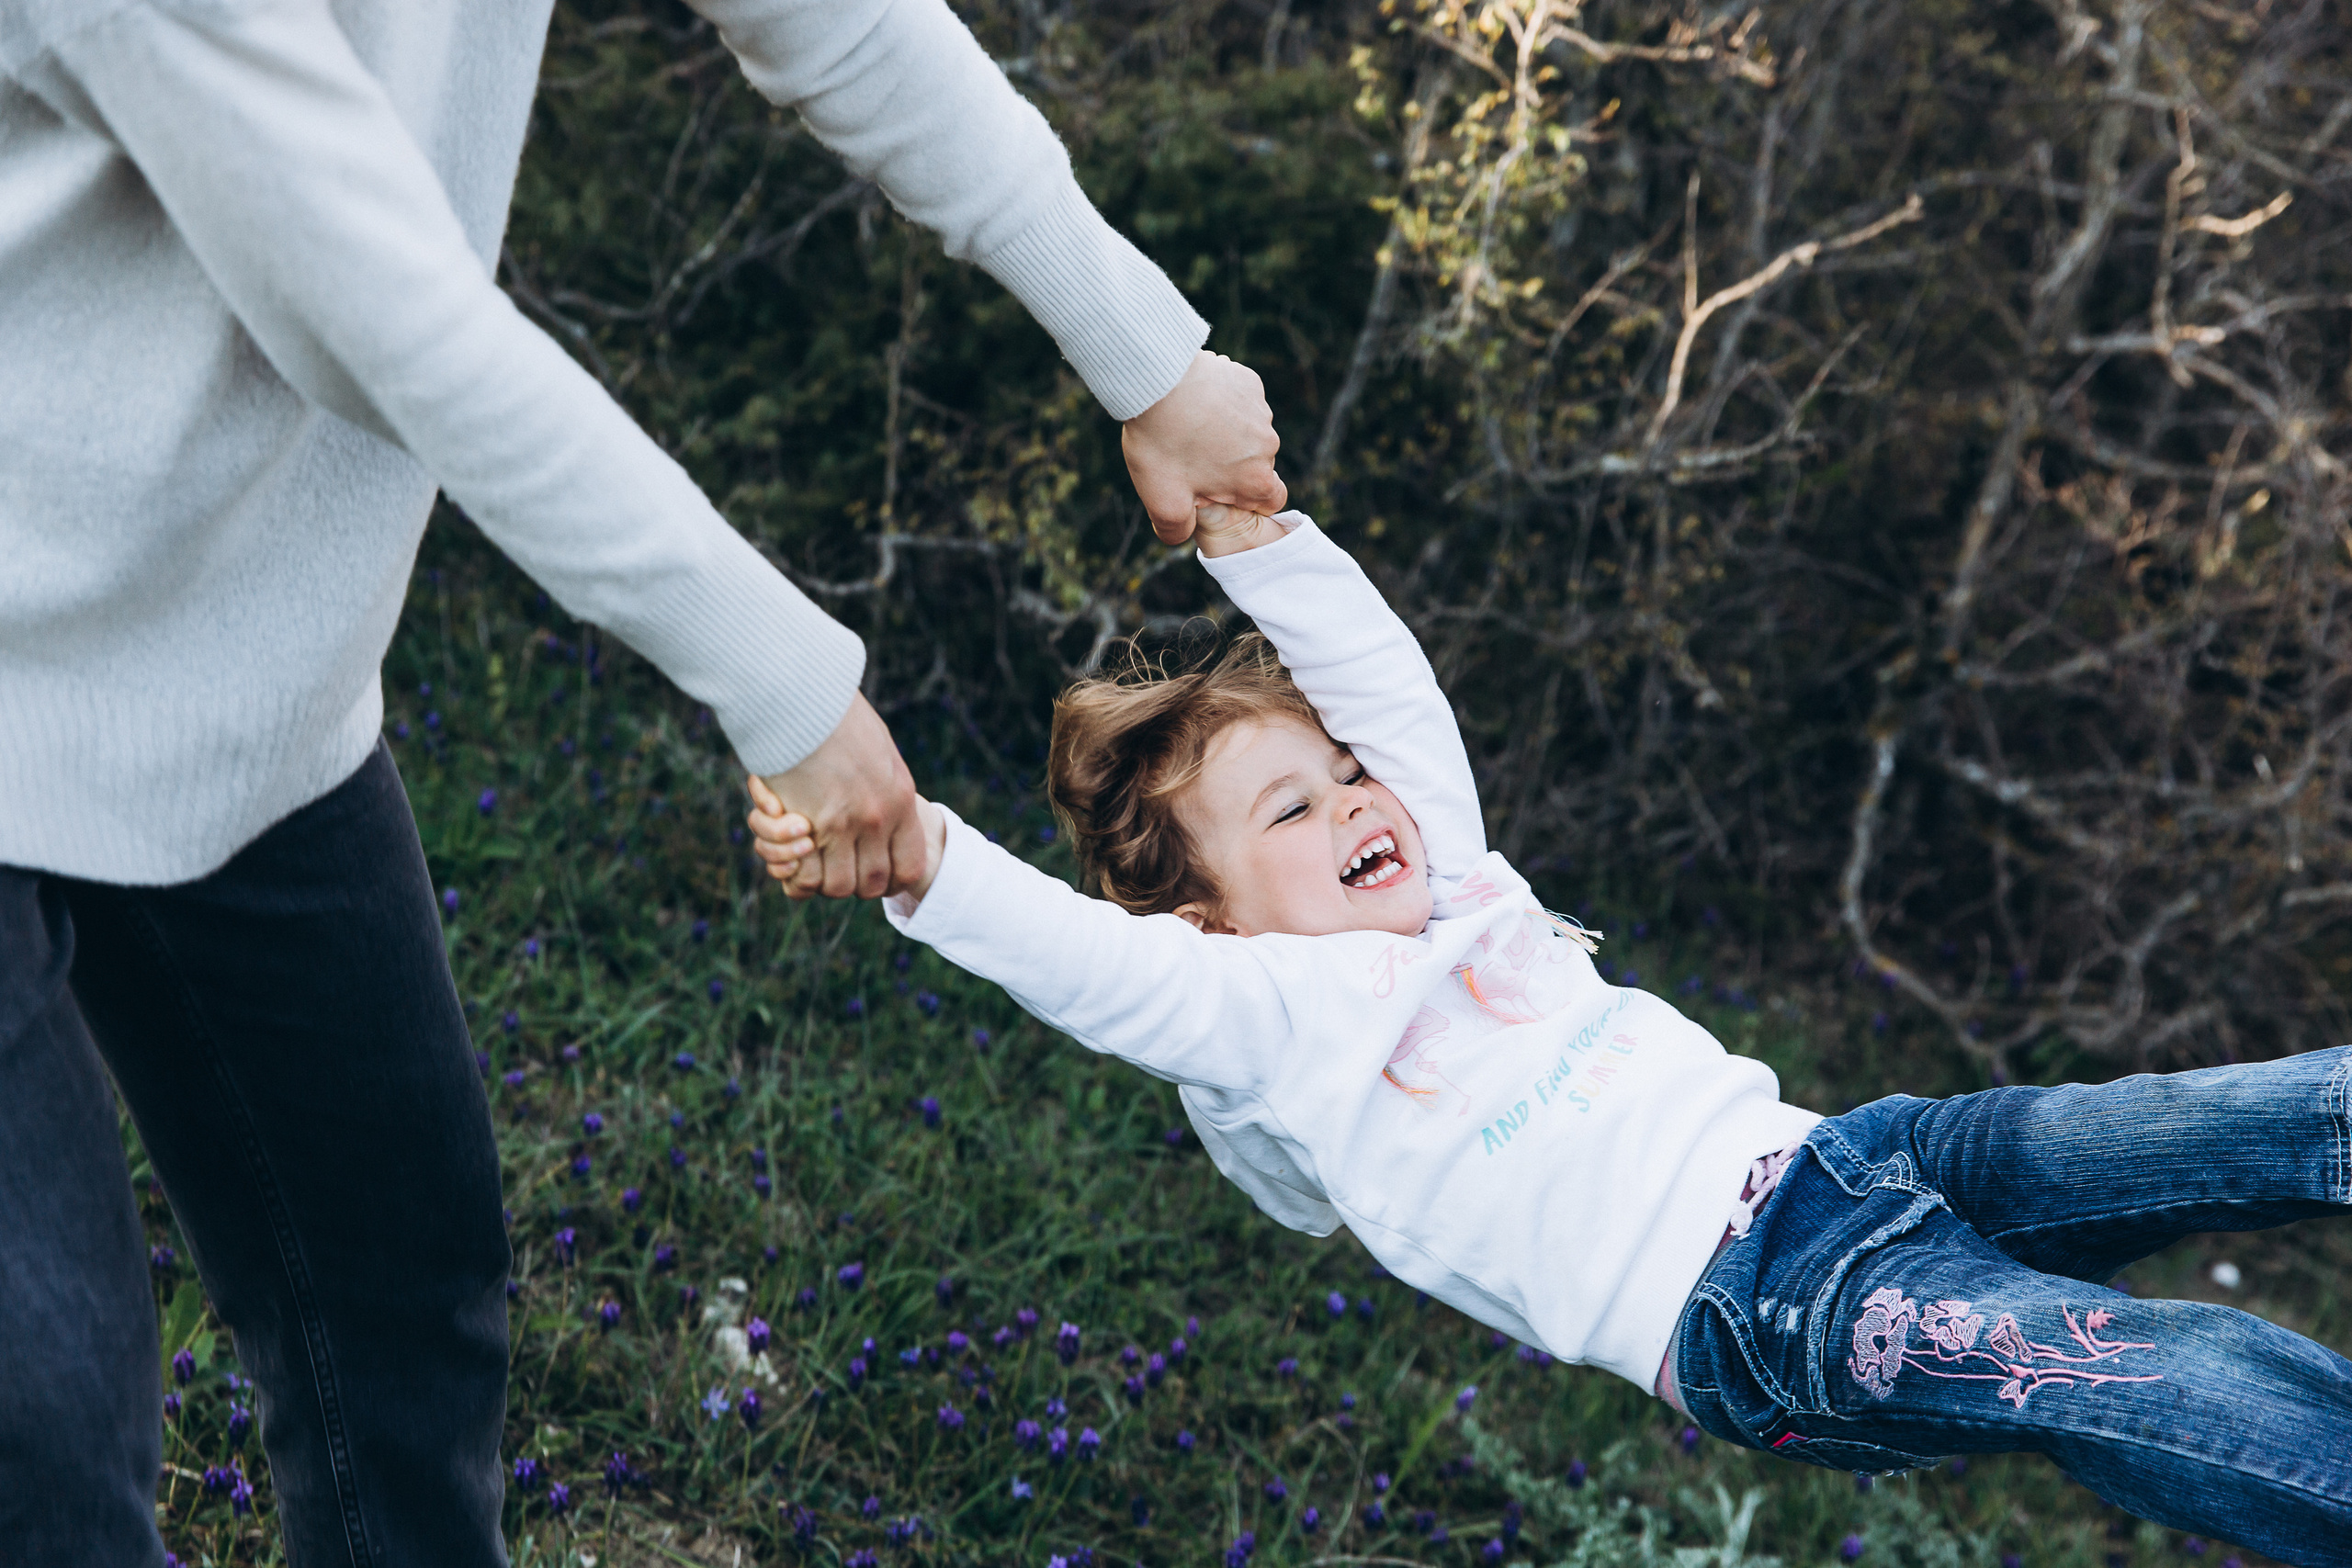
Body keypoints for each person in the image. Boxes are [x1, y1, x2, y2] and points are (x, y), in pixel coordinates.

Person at [0, 0, 1282, 1560]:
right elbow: (381, 314)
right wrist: (781, 681)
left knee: (399, 1304)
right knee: (48, 1447)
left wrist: (1142, 351)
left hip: (247, 690)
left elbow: (840, 22)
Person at [749, 505, 2352, 1564]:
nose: (1355, 802)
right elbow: (1081, 961)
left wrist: (1254, 527)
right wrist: (913, 853)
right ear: (1215, 921)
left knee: (2216, 1123)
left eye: (1343, 772)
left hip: (1856, 1157)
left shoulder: (1449, 875)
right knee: (2145, 1372)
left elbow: (1391, 680)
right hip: (1772, 1306)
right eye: (1291, 812)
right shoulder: (1269, 1018)